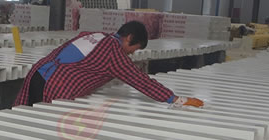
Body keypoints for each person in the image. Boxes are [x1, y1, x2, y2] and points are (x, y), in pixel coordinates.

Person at [14, 20, 204, 108]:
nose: (132, 53)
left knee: (27, 119)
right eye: (135, 48)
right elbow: (140, 81)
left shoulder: (96, 36)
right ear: (129, 38)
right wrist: (176, 99)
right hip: (53, 84)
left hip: (38, 72)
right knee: (41, 126)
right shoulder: (113, 52)